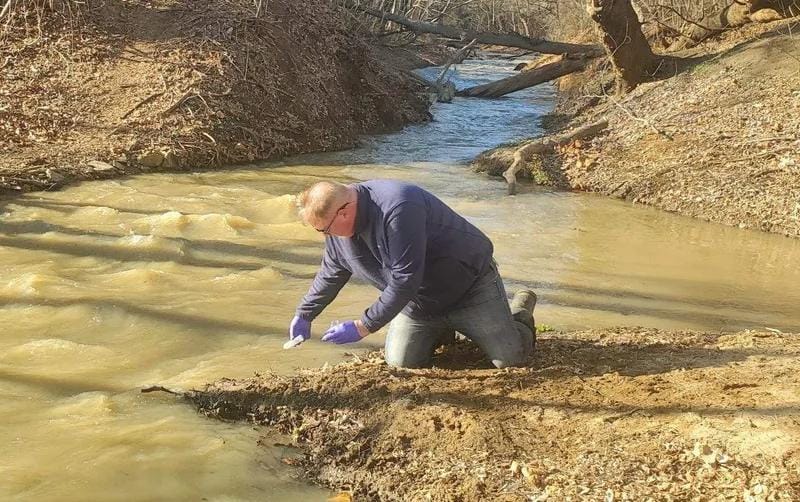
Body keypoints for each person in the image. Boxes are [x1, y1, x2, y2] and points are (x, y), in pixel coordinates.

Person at [288, 179, 537, 369]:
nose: (325, 236)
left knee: (509, 359)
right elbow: (332, 270)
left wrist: (363, 326)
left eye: (325, 229)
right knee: (401, 364)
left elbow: (405, 278)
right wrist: (305, 313)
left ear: (343, 212)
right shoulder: (338, 231)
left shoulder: (398, 206)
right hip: (418, 303)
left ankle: (520, 311)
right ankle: (441, 330)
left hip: (469, 287)